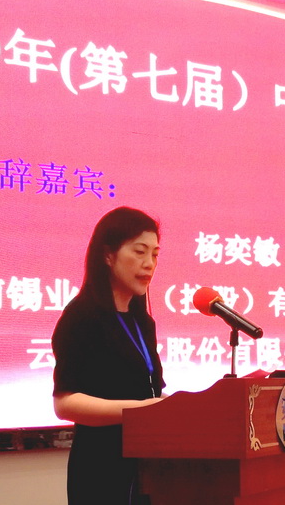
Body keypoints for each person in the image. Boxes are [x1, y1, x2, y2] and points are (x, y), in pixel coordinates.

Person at [52, 206, 165, 505]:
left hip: (149, 465)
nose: (149, 264)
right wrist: (141, 410)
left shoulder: (143, 322)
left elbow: (152, 392)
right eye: (139, 252)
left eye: (155, 254)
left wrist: (173, 407)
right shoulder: (82, 316)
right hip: (100, 467)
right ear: (107, 255)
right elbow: (65, 402)